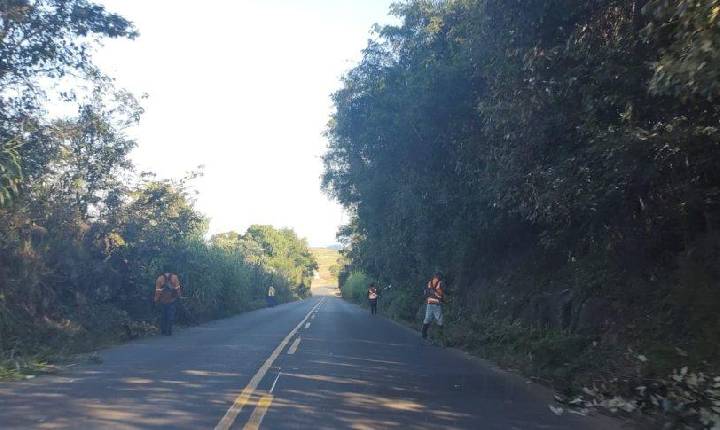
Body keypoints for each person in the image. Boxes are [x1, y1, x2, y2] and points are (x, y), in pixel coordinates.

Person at [154, 271, 182, 336]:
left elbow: (158, 291)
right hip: (172, 300)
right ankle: (169, 330)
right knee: (170, 315)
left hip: (162, 300)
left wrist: (155, 300)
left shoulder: (159, 278)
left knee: (163, 315)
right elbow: (177, 289)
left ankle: (163, 330)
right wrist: (179, 296)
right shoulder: (175, 277)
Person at [422, 272, 444, 342]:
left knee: (427, 318)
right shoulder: (440, 283)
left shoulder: (429, 282)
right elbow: (442, 293)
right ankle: (441, 337)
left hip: (429, 303)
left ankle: (424, 334)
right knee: (440, 320)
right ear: (438, 276)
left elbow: (426, 292)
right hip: (437, 304)